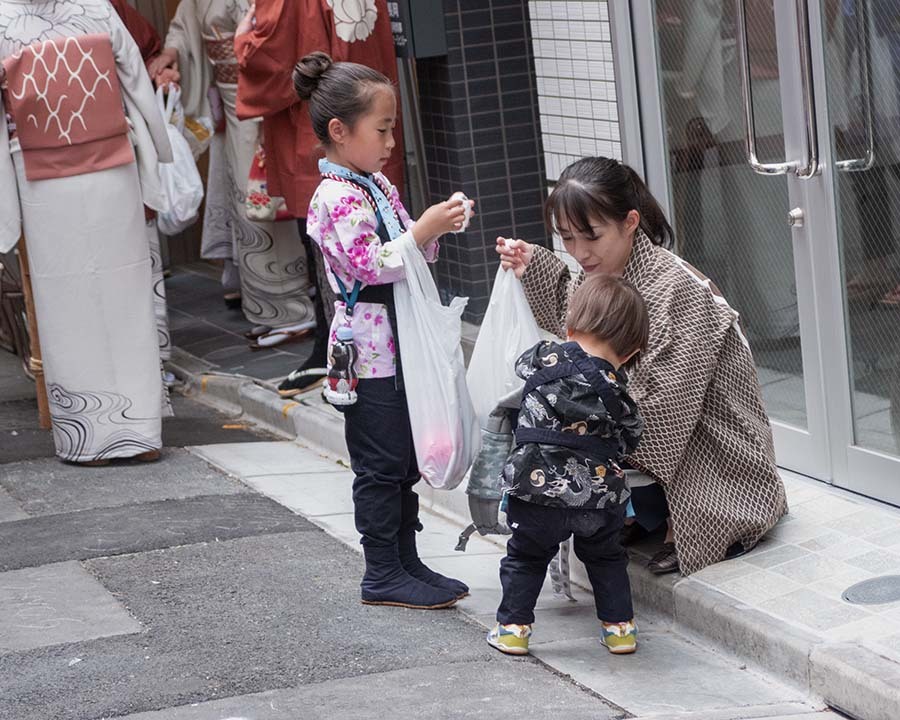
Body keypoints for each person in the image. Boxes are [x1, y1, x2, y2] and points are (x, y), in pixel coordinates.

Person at [497, 157, 788, 575]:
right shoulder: (596, 273)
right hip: (641, 419)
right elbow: (578, 323)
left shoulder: (680, 290)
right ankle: (634, 509)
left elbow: (668, 408)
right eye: (567, 238)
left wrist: (580, 425)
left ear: (630, 221)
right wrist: (534, 268)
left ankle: (676, 520)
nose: (579, 252)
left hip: (712, 439)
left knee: (595, 432)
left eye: (591, 237)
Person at [297, 52, 473, 609]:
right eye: (383, 129)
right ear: (339, 131)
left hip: (395, 345)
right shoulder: (335, 196)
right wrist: (423, 229)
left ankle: (405, 561)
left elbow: (408, 252)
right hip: (369, 351)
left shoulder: (372, 184)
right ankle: (382, 570)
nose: (391, 141)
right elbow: (370, 264)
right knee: (380, 463)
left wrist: (430, 228)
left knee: (402, 457)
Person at [0, 0, 172, 464]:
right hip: (39, 168)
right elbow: (134, 75)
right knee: (65, 298)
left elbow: (131, 73)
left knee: (124, 287)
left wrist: (153, 146)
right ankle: (84, 435)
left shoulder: (94, 5)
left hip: (108, 160)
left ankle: (139, 430)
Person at [233, 0, 405, 393]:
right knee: (375, 236)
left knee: (332, 252)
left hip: (326, 133)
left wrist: (243, 33)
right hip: (366, 121)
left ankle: (332, 350)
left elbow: (268, 56)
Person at [487, 274, 648, 657]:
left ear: (571, 326)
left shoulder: (541, 359)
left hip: (534, 491)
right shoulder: (618, 391)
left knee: (526, 557)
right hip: (597, 497)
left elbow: (519, 367)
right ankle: (620, 629)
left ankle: (512, 629)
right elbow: (629, 438)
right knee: (606, 558)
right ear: (629, 353)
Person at [149, 0, 316, 348]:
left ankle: (295, 310)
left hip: (261, 103)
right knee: (246, 209)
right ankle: (267, 310)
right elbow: (186, 23)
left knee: (266, 208)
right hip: (232, 100)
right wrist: (172, 51)